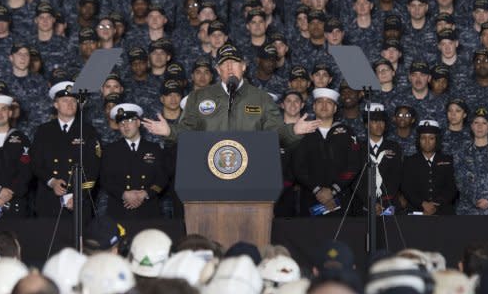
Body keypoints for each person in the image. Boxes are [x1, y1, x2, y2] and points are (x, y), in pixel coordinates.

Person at [143, 44, 319, 146]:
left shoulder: (262, 98)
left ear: (243, 66)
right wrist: (169, 131)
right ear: (218, 70)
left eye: (234, 63)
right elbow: (188, 132)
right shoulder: (199, 97)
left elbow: (276, 134)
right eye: (224, 64)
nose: (229, 68)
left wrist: (293, 130)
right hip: (209, 171)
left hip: (251, 171)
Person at [30, 80, 101, 218]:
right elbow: (35, 163)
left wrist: (78, 195)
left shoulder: (88, 131)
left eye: (73, 100)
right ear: (56, 104)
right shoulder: (43, 131)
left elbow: (94, 168)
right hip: (49, 200)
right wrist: (51, 181)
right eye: (64, 100)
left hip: (80, 200)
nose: (69, 104)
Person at [292, 88, 361, 216]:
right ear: (313, 106)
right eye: (320, 102)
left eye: (329, 102)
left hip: (341, 197)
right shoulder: (302, 132)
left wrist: (333, 190)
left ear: (335, 108)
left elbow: (354, 166)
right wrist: (318, 190)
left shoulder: (347, 132)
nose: (324, 106)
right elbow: (298, 167)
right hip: (311, 198)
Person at [99, 103, 167, 220]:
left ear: (138, 122)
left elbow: (163, 178)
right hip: (119, 209)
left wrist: (145, 194)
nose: (125, 126)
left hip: (148, 208)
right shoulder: (110, 150)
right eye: (121, 123)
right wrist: (124, 194)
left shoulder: (154, 148)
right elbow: (105, 180)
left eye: (130, 120)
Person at [401, 120, 457, 215]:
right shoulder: (409, 161)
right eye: (423, 138)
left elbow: (452, 188)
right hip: (416, 210)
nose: (427, 142)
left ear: (437, 140)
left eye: (431, 138)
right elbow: (406, 188)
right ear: (419, 140)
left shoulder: (448, 160)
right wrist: (422, 204)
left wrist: (435, 205)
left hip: (443, 210)